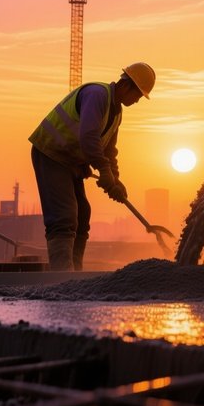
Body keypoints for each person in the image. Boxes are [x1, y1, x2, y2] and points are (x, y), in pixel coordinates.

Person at [28, 63, 156, 272]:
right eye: (138, 95)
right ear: (126, 86)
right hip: (51, 153)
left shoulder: (116, 112)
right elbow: (88, 138)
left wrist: (114, 178)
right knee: (64, 216)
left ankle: (75, 271)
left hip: (70, 161)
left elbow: (109, 150)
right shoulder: (97, 95)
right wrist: (104, 172)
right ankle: (62, 275)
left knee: (83, 214)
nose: (137, 100)